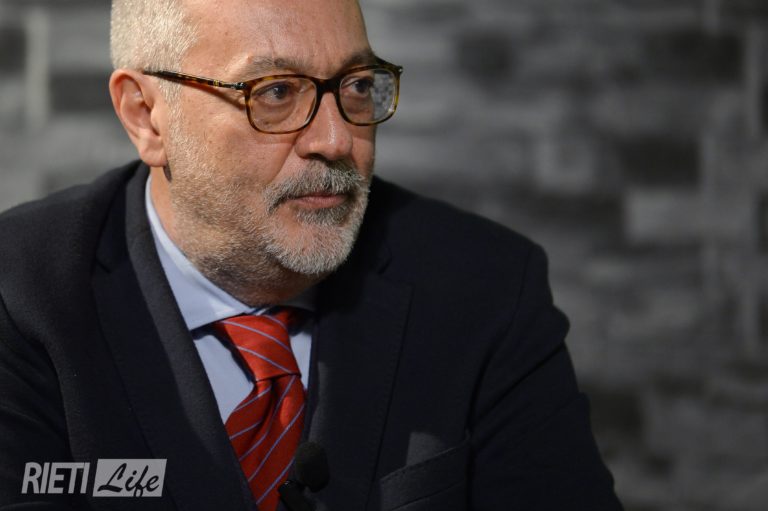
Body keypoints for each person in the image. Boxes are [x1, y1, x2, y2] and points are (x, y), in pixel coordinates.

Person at [0, 0, 623, 510]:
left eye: (356, 85)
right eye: (274, 92)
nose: (335, 139)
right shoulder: (21, 290)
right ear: (147, 117)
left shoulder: (486, 286)